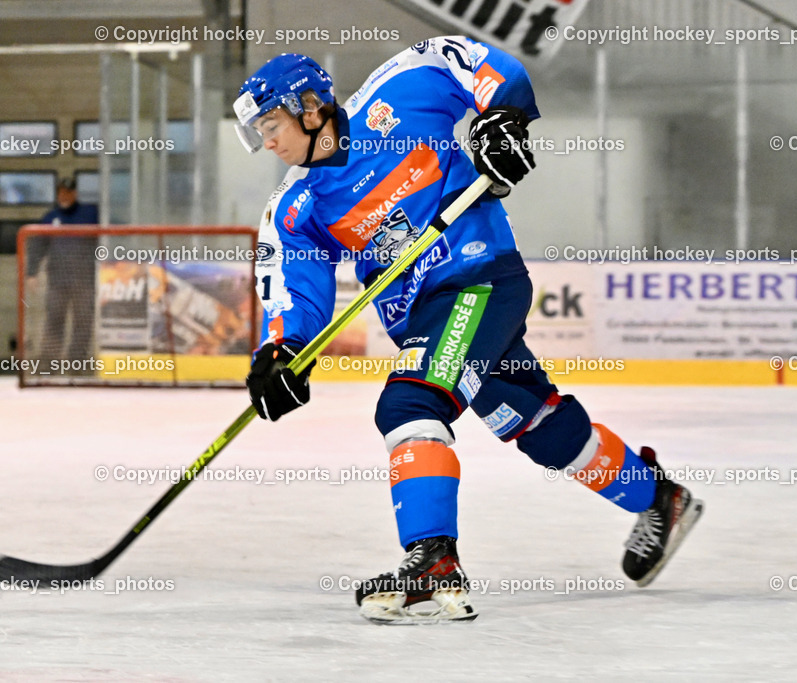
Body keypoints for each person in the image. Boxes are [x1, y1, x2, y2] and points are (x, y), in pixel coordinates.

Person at [237, 37, 704, 625]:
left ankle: (433, 562)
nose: (268, 142)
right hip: (427, 315)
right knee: (534, 424)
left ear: (310, 107)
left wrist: (504, 118)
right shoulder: (297, 206)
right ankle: (661, 499)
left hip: (478, 276)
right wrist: (283, 349)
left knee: (410, 404)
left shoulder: (399, 92)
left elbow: (472, 63)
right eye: (260, 132)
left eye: (272, 125)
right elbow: (294, 288)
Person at [25, 177, 99, 369]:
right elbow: (38, 246)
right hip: (57, 281)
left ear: (75, 193)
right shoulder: (50, 217)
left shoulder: (91, 213)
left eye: (67, 192)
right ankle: (49, 361)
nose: (63, 196)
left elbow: (110, 234)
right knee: (54, 319)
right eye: (60, 193)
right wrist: (31, 273)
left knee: (83, 322)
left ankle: (77, 362)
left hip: (85, 281)